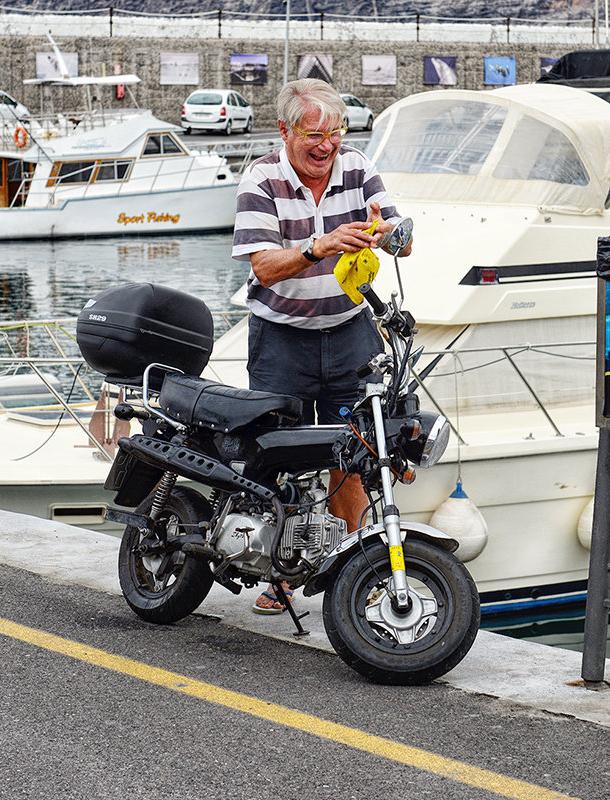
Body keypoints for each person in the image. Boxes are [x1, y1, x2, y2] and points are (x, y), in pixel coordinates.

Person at [231, 78, 412, 614]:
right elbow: (263, 266)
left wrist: (395, 233)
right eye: (314, 133)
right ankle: (280, 574)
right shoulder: (260, 178)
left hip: (349, 332)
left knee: (355, 456)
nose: (326, 145)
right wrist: (319, 247)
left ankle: (350, 571)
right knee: (279, 454)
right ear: (285, 132)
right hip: (281, 337)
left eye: (334, 132)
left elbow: (399, 226)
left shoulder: (356, 166)